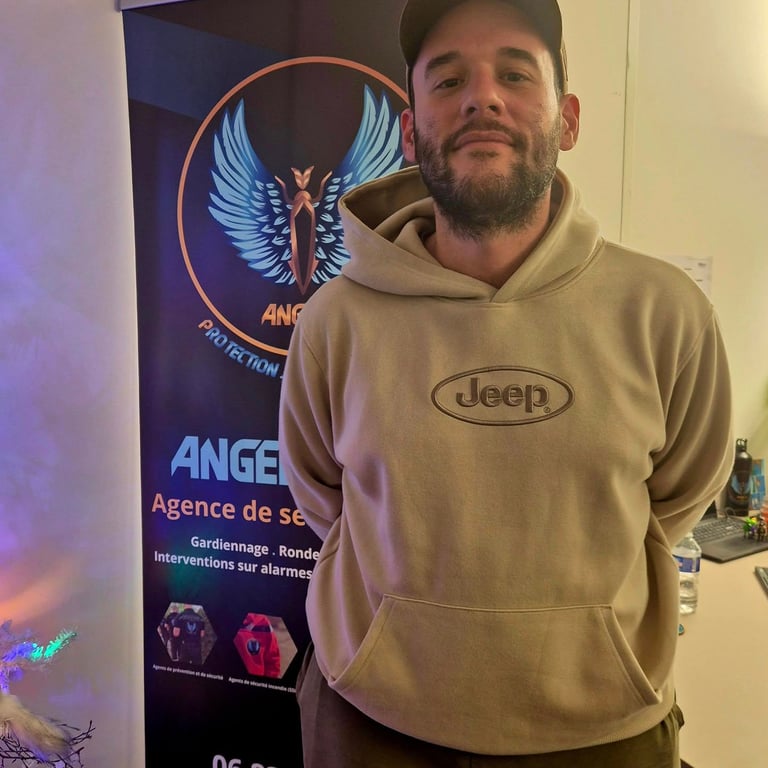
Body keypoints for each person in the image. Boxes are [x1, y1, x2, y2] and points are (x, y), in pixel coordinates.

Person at [278, 0, 734, 765]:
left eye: (516, 75)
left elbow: (678, 498)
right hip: (369, 723)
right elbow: (323, 495)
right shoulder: (336, 320)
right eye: (449, 79)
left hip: (603, 734)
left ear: (569, 120)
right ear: (411, 131)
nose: (481, 98)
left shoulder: (666, 313)